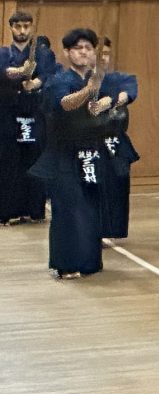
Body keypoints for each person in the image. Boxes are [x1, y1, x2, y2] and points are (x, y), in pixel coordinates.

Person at [37, 28, 109, 279]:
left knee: (90, 207)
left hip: (89, 154)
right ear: (67, 52)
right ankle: (66, 263)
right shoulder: (60, 80)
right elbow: (66, 104)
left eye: (88, 48)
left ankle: (89, 261)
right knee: (68, 209)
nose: (83, 52)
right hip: (63, 155)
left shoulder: (94, 80)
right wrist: (89, 90)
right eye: (78, 48)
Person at [1, 9, 52, 227]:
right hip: (9, 116)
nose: (22, 30)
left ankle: (34, 209)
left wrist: (36, 82)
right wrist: (20, 71)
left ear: (31, 28)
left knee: (34, 162)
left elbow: (50, 74)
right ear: (11, 27)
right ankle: (8, 211)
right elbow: (4, 72)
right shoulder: (3, 53)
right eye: (18, 26)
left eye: (26, 26)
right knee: (10, 164)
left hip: (34, 115)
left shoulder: (43, 54)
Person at [94, 39, 137, 241]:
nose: (103, 57)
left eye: (106, 53)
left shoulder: (121, 78)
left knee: (117, 185)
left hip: (115, 141)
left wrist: (112, 99)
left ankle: (111, 229)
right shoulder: (80, 80)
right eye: (99, 52)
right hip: (91, 142)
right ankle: (93, 229)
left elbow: (127, 94)